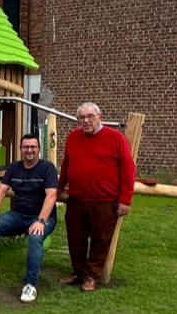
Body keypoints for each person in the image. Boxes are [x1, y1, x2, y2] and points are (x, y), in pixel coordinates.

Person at [0, 134, 58, 303]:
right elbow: (1, 191)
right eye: (26, 147)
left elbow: (51, 195)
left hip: (42, 217)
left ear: (39, 149)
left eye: (33, 147)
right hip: (18, 215)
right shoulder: (14, 167)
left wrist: (40, 221)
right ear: (20, 150)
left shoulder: (47, 168)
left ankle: (30, 284)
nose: (29, 150)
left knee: (35, 237)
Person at [58, 102, 136, 292]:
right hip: (76, 199)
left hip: (104, 201)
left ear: (99, 117)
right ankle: (78, 272)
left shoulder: (115, 138)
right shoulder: (73, 137)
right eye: (82, 117)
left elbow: (128, 170)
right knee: (75, 238)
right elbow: (66, 165)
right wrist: (58, 189)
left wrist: (125, 200)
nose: (86, 120)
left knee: (101, 240)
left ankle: (91, 276)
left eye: (90, 116)